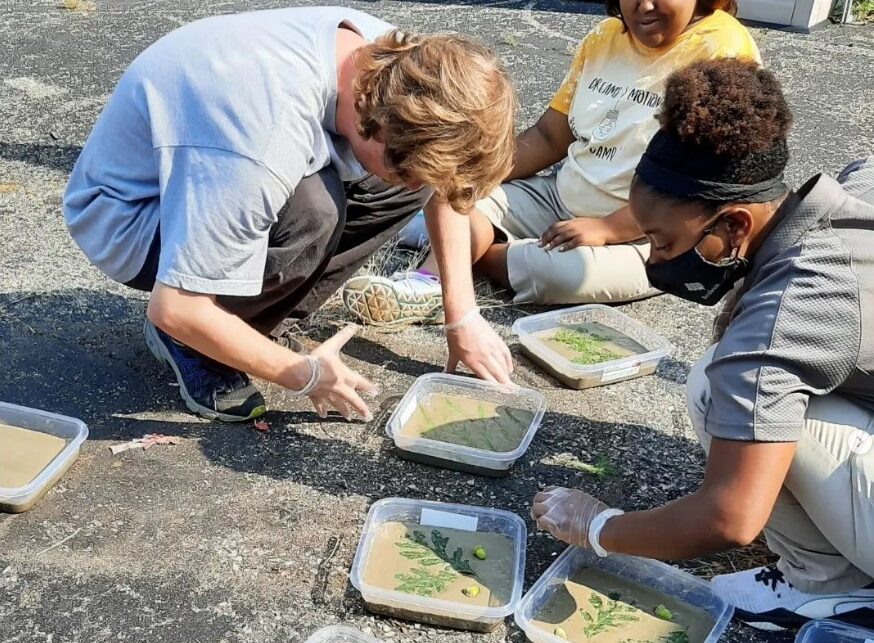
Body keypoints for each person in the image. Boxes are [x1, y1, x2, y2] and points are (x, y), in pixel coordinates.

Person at [531, 58, 874, 632]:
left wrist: (599, 527)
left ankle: (830, 587)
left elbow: (729, 517)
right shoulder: (854, 189)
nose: (656, 260)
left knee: (721, 388)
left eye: (663, 243)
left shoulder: (788, 314)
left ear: (736, 225)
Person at [64, 7, 517, 422]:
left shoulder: (399, 64)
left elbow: (442, 184)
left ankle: (245, 326)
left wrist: (462, 318)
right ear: (377, 127)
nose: (423, 186)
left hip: (216, 169)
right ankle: (197, 342)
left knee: (399, 189)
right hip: (129, 217)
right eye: (412, 169)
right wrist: (302, 375)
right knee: (314, 212)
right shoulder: (264, 140)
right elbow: (177, 306)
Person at [342, 0, 759, 325]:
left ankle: (462, 250)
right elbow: (549, 136)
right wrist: (476, 173)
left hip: (648, 233)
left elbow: (701, 180)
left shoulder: (721, 48)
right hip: (559, 198)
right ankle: (431, 282)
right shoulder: (603, 38)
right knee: (456, 196)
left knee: (561, 275)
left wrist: (608, 227)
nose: (643, 7)